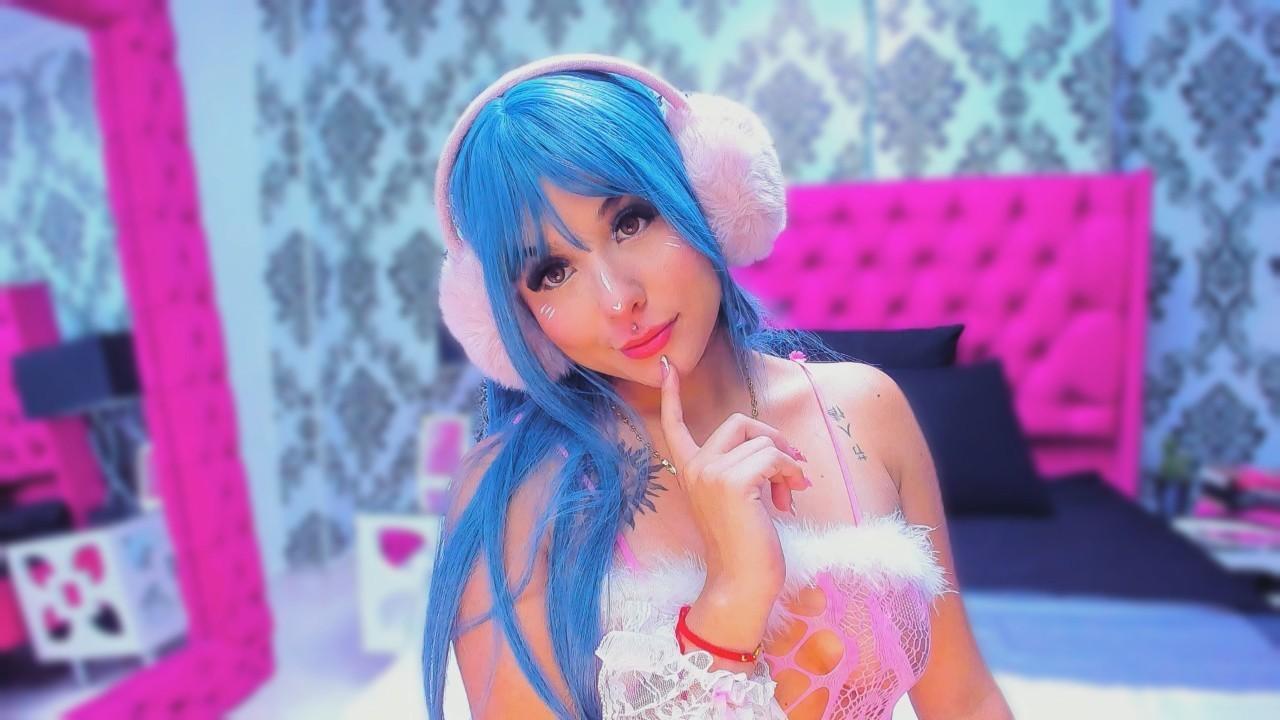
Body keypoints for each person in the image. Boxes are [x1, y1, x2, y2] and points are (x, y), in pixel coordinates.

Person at [422, 54, 1012, 720]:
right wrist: (729, 602)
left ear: (710, 196)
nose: (618, 299)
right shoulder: (510, 495)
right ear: (513, 315)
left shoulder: (866, 409)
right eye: (552, 272)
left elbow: (966, 701)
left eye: (631, 221)